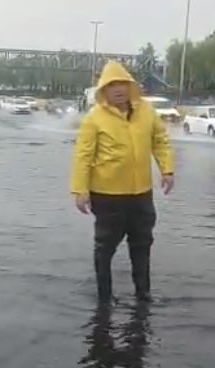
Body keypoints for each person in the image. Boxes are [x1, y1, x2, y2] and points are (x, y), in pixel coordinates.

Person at [69, 60, 175, 300]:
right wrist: (80, 190)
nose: (118, 89)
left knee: (142, 245)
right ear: (103, 90)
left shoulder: (146, 112)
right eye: (112, 85)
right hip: (107, 196)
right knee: (105, 248)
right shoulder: (94, 119)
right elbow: (83, 156)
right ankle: (104, 297)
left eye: (122, 84)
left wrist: (167, 170)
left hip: (141, 195)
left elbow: (160, 141)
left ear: (131, 86)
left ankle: (143, 293)